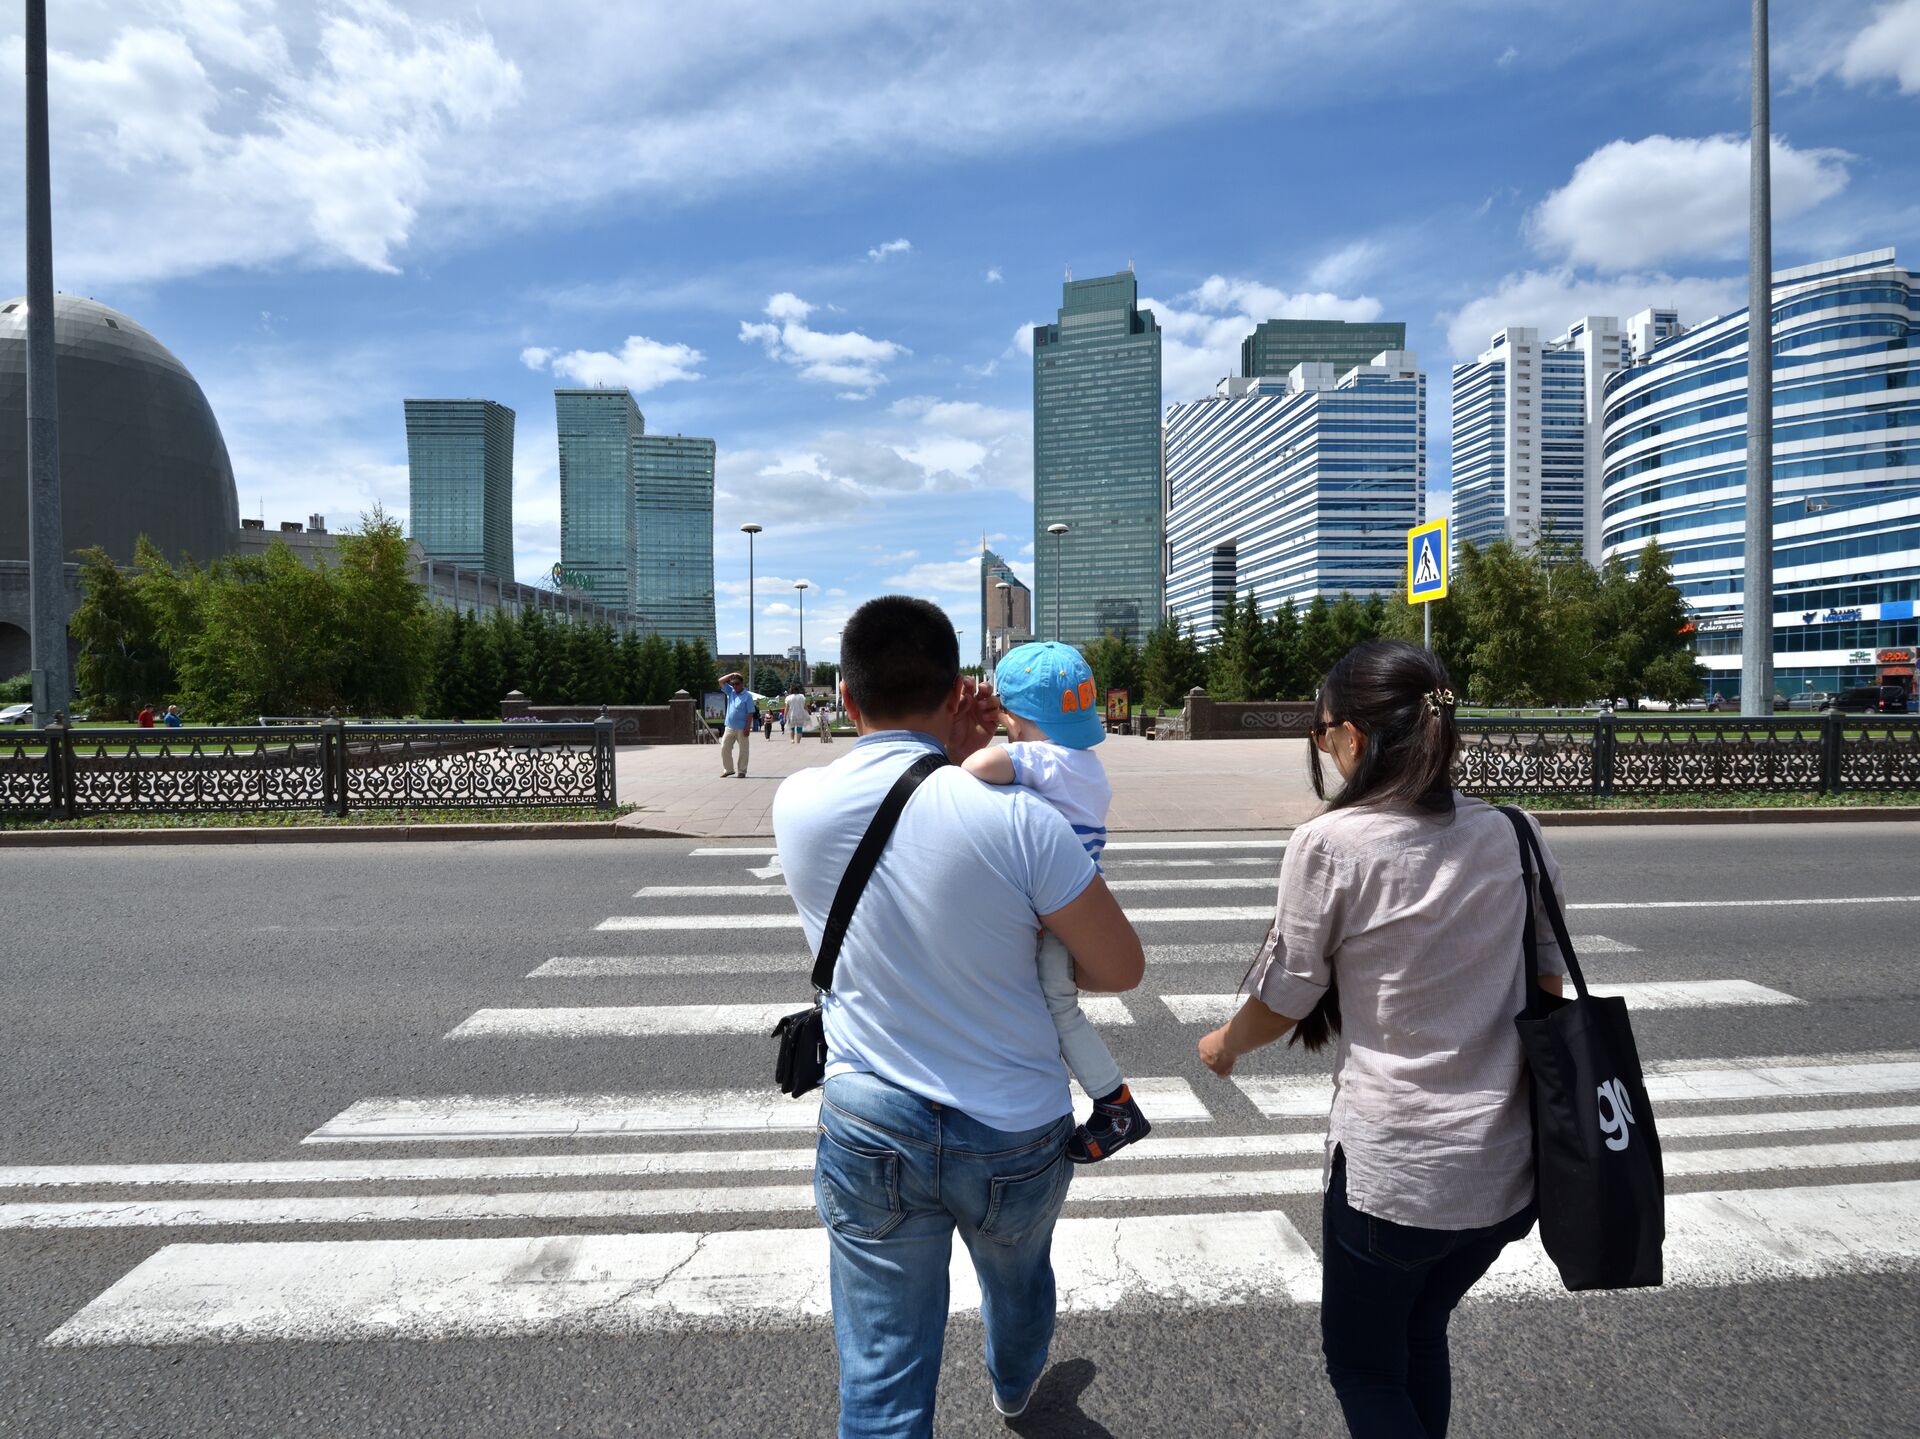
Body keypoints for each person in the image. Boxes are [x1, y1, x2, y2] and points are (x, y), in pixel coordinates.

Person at [774, 595, 1144, 1436]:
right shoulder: (1022, 822)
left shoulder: (797, 803)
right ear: (955, 691)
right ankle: (1014, 1387)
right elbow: (1118, 967)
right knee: (1017, 1286)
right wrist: (963, 752)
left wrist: (948, 751)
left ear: (843, 694)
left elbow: (906, 809)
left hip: (871, 1121)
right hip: (1013, 1125)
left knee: (881, 1381)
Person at [1196, 639, 1569, 1439]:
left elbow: (1286, 999)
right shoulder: (1515, 831)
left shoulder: (1334, 843)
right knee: (1418, 1331)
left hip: (1397, 1175)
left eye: (1322, 730)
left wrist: (1225, 1044)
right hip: (1507, 1171)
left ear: (1355, 737)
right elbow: (1548, 988)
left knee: (1363, 1365)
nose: (1322, 746)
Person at [963, 640, 1149, 1163]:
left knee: (1058, 1008)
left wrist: (980, 738)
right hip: (1076, 903)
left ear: (1015, 719)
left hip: (1051, 912)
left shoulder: (1037, 758)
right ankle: (1110, 1100)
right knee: (1052, 1004)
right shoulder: (1085, 763)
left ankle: (1116, 1104)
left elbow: (976, 770)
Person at [717, 672, 756, 779]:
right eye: (733, 684)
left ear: (742, 684)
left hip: (742, 727)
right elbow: (720, 681)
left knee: (743, 749)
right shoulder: (731, 692)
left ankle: (742, 771)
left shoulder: (747, 696)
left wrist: (748, 727)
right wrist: (731, 675)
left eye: (737, 684)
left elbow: (750, 712)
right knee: (724, 747)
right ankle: (728, 769)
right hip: (729, 726)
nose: (735, 686)